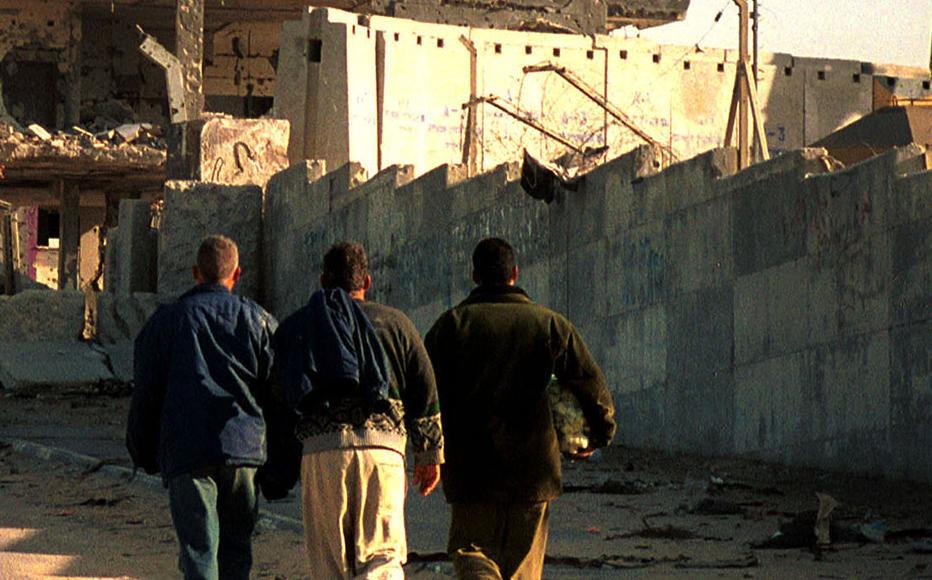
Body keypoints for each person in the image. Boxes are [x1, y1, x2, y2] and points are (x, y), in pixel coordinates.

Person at [425, 237, 616, 579]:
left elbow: (425, 394)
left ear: (474, 276)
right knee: (523, 568)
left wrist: (427, 451)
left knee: (473, 553)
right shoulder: (549, 324)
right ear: (515, 273)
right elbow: (590, 383)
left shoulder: (449, 327)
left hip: (472, 472)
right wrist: (599, 435)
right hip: (533, 471)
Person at [274, 241, 444, 578]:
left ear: (323, 281)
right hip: (382, 455)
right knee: (381, 559)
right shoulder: (396, 324)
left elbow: (280, 399)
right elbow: (424, 388)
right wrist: (429, 454)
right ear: (366, 282)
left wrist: (281, 464)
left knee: (329, 564)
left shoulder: (298, 327)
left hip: (322, 457)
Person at [126, 235, 277, 580]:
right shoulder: (258, 321)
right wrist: (277, 461)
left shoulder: (166, 323)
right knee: (237, 549)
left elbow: (146, 394)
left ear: (195, 272)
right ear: (237, 274)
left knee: (198, 551)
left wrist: (142, 450)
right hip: (243, 451)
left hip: (187, 452)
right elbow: (278, 393)